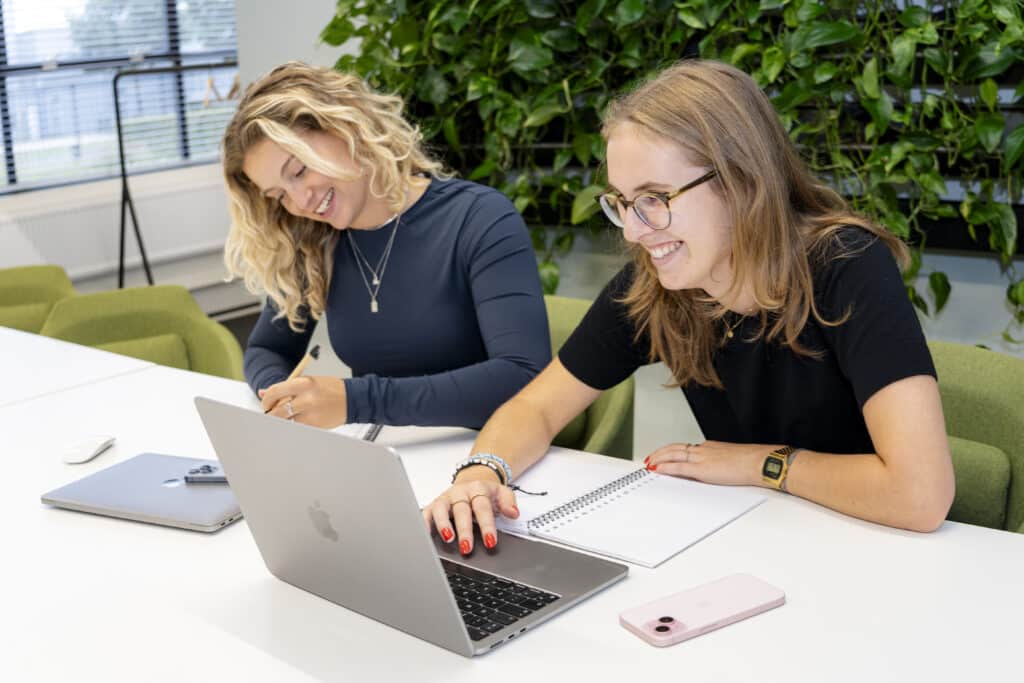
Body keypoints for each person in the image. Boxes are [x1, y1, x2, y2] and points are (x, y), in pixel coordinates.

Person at [423, 59, 955, 555]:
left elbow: (920, 496)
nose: (634, 231)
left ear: (741, 182)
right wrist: (481, 474)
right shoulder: (657, 286)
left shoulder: (847, 265)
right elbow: (536, 409)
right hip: (757, 539)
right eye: (623, 203)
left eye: (654, 198)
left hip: (873, 548)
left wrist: (761, 464)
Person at [221, 62, 550, 429]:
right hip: (382, 450)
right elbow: (267, 349)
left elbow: (523, 375)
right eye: (279, 195)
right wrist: (282, 396)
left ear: (346, 127)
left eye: (299, 171)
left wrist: (356, 400)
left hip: (488, 449)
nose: (300, 201)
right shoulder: (315, 242)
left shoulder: (479, 218)